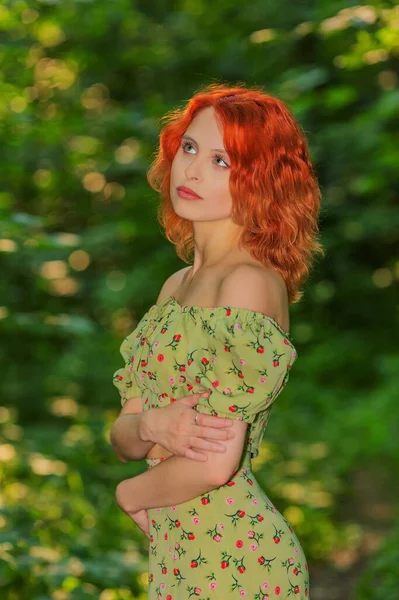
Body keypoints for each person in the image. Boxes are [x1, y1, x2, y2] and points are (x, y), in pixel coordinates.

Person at [111, 82, 323, 600]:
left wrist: (129, 492)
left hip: (237, 561)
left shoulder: (248, 283)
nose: (194, 170)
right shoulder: (175, 286)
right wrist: (149, 423)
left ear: (261, 181)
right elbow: (122, 437)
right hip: (178, 557)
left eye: (223, 161)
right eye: (189, 148)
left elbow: (214, 463)